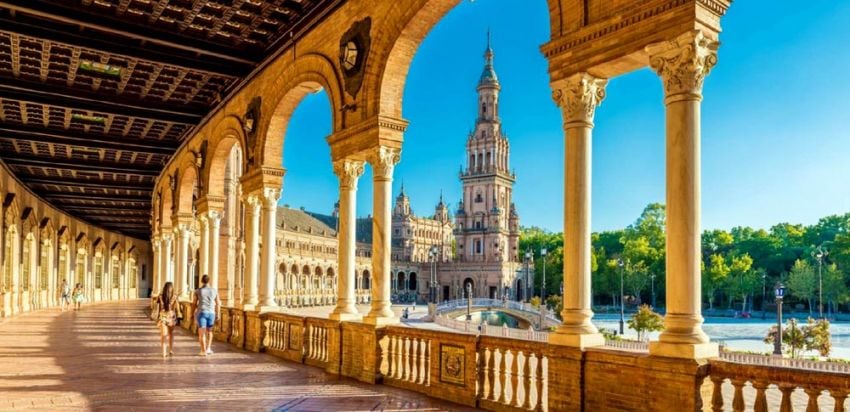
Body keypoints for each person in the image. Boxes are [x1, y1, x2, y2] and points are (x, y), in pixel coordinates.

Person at [192, 274, 220, 356]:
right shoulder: (214, 291)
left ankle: (203, 351)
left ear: (201, 281)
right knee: (210, 331)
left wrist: (192, 312)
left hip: (202, 312)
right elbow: (218, 303)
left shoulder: (198, 291)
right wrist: (218, 314)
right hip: (211, 313)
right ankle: (208, 348)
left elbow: (194, 303)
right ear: (209, 281)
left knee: (202, 332)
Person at [157, 282, 178, 358]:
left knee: (163, 335)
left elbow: (159, 308)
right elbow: (175, 308)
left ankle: (164, 352)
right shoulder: (174, 296)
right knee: (170, 334)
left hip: (163, 317)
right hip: (171, 317)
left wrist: (158, 318)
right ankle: (170, 350)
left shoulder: (160, 296)